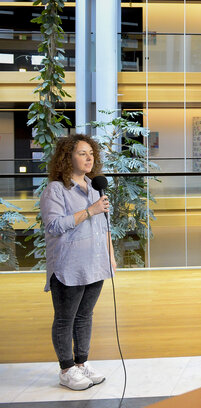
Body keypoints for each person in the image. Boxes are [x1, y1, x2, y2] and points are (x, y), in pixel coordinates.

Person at [40, 134, 116, 391]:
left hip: (95, 264)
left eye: (91, 153)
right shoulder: (56, 190)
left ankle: (82, 364)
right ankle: (66, 369)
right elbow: (54, 225)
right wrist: (90, 210)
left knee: (85, 316)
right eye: (82, 153)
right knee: (65, 319)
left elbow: (105, 225)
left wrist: (111, 256)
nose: (89, 158)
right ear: (67, 157)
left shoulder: (96, 186)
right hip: (68, 266)